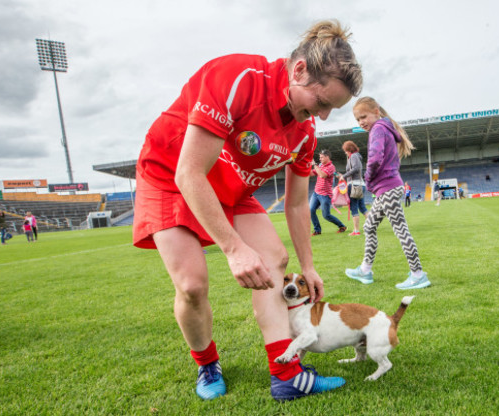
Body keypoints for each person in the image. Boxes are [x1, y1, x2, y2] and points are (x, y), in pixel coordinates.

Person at [132, 20, 362, 401]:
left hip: (231, 189)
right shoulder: (238, 77)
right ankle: (207, 365)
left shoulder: (304, 134)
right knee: (191, 285)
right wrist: (234, 248)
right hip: (171, 175)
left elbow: (296, 203)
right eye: (322, 103)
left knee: (275, 259)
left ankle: (286, 374)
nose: (322, 117)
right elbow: (189, 172)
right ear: (300, 70)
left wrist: (308, 267)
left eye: (331, 110)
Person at [345, 97, 431, 290]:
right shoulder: (384, 128)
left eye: (364, 117)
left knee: (400, 229)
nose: (361, 122)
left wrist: (367, 177)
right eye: (358, 120)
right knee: (369, 227)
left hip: (388, 188)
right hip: (388, 188)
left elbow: (375, 158)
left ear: (376, 112)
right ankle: (365, 270)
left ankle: (418, 274)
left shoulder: (378, 129)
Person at [310, 149, 347, 235]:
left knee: (326, 215)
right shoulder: (320, 165)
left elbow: (322, 175)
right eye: (319, 157)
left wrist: (315, 165)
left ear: (327, 157)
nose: (320, 159)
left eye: (322, 157)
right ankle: (317, 230)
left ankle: (342, 226)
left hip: (325, 195)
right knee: (311, 210)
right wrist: (304, 167)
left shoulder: (331, 167)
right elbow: (312, 173)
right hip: (316, 193)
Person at [337, 140, 367, 235]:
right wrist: (343, 175)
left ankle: (356, 231)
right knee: (362, 207)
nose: (345, 152)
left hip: (354, 185)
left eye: (345, 150)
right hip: (360, 184)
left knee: (354, 207)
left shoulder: (353, 156)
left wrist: (344, 176)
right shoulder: (356, 156)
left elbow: (355, 168)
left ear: (349, 149)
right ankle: (372, 225)